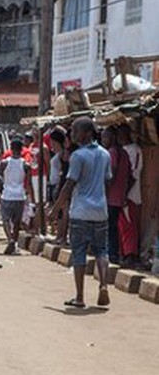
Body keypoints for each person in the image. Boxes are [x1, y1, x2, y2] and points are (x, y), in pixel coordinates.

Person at [49, 117, 111, 308]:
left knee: (79, 253)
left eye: (76, 131)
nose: (73, 135)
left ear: (88, 133)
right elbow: (107, 181)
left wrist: (55, 209)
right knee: (101, 250)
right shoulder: (105, 154)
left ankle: (80, 296)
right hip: (101, 211)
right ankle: (103, 285)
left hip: (81, 212)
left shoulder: (78, 156)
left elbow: (69, 185)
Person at [101, 127, 130, 264]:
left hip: (110, 197)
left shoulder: (111, 153)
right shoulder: (124, 152)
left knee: (109, 227)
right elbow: (129, 175)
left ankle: (111, 254)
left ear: (112, 138)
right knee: (114, 226)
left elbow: (110, 174)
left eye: (105, 137)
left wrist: (104, 191)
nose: (103, 140)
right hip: (119, 197)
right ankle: (115, 254)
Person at [0, 138, 33, 255]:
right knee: (17, 222)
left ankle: (10, 239)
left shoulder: (4, 163)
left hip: (7, 194)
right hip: (20, 195)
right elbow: (28, 182)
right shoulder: (26, 164)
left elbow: (0, 178)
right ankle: (14, 243)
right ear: (21, 149)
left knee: (5, 219)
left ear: (11, 149)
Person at [117, 124, 143, 268]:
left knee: (129, 226)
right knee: (122, 225)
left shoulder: (134, 150)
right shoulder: (123, 150)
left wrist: (124, 194)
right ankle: (125, 253)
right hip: (122, 194)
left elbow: (134, 174)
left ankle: (130, 254)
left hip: (131, 195)